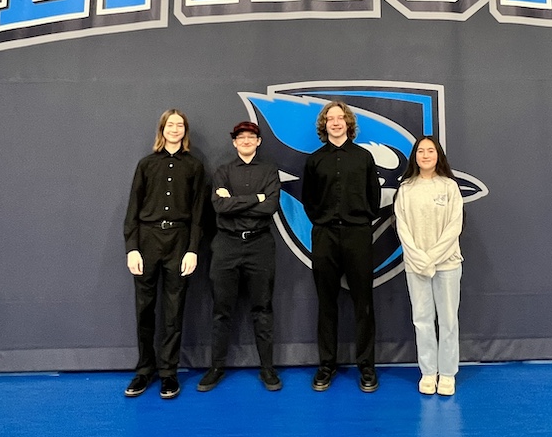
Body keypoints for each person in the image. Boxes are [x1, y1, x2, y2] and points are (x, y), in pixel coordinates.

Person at [122, 109, 206, 400]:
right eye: (170, 124)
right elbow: (133, 209)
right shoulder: (146, 165)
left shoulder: (194, 166)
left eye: (180, 125)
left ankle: (169, 372)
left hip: (179, 241)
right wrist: (132, 248)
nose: (175, 129)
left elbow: (198, 213)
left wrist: (192, 250)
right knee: (145, 309)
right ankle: (145, 370)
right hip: (147, 240)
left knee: (174, 309)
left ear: (185, 131)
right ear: (162, 129)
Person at [301, 101, 382, 392]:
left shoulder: (363, 157)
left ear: (348, 123)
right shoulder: (315, 160)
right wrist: (324, 221)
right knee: (326, 303)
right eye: (330, 118)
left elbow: (374, 198)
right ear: (324, 125)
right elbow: (308, 199)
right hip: (325, 236)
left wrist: (358, 221)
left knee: (364, 303)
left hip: (357, 235)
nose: (335, 122)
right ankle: (327, 365)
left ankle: (367, 366)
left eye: (340, 118)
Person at [198, 121, 283, 392]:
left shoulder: (269, 171)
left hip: (260, 245)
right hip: (227, 245)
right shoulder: (222, 172)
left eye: (251, 136)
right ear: (234, 142)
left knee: (263, 308)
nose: (246, 140)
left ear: (258, 141)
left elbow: (270, 206)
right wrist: (256, 198)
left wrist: (236, 201)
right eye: (241, 137)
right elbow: (220, 207)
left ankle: (267, 369)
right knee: (221, 310)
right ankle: (216, 368)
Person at [393, 135, 464, 396]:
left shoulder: (449, 187)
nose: (425, 155)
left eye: (430, 151)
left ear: (438, 155)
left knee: (448, 320)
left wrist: (432, 256)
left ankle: (447, 373)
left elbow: (454, 227)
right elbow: (402, 227)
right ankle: (428, 372)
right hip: (416, 265)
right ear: (415, 156)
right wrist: (419, 258)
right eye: (421, 151)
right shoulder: (406, 189)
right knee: (422, 320)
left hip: (447, 264)